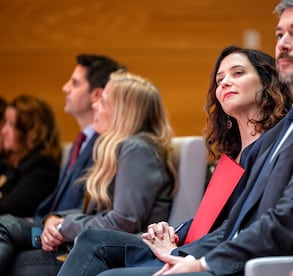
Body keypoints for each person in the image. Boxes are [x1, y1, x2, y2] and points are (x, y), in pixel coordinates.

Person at [59, 0, 293, 275]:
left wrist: (202, 262)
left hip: (277, 266)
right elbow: (235, 222)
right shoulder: (292, 124)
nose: (282, 44)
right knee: (94, 247)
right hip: (239, 256)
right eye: (280, 34)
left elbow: (292, 221)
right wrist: (183, 254)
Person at [56, 45, 292, 276]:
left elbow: (243, 226)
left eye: (237, 73)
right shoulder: (231, 154)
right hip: (191, 246)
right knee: (91, 239)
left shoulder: (275, 147)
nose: (225, 82)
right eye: (219, 80)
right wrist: (172, 232)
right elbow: (208, 220)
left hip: (219, 258)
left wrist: (182, 252)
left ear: (267, 82)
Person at [4, 70, 177, 275]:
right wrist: (56, 218)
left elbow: (122, 222)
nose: (94, 105)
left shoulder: (137, 150)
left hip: (117, 254)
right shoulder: (120, 148)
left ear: (123, 112)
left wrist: (63, 227)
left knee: (14, 254)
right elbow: (96, 213)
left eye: (103, 102)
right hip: (89, 246)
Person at [0, 54, 123, 274]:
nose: (65, 88)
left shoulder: (108, 144)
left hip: (66, 232)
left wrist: (57, 222)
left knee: (7, 229)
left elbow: (99, 208)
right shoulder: (82, 141)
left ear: (96, 94)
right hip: (50, 225)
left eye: (74, 83)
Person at [0, 95, 61, 217]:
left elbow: (7, 209)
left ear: (31, 132)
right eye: (4, 123)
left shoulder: (43, 166)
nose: (3, 131)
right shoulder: (10, 163)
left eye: (11, 125)